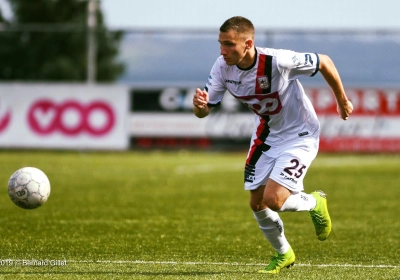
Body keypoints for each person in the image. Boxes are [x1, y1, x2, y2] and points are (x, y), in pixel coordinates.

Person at [192, 16, 353, 274]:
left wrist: (342, 100)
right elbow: (205, 110)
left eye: (229, 44)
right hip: (267, 135)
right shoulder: (222, 67)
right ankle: (284, 254)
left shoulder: (278, 61)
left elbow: (324, 61)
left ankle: (314, 203)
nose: (223, 51)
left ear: (248, 43)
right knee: (257, 203)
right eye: (220, 44)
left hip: (300, 133)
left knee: (274, 200)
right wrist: (199, 107)